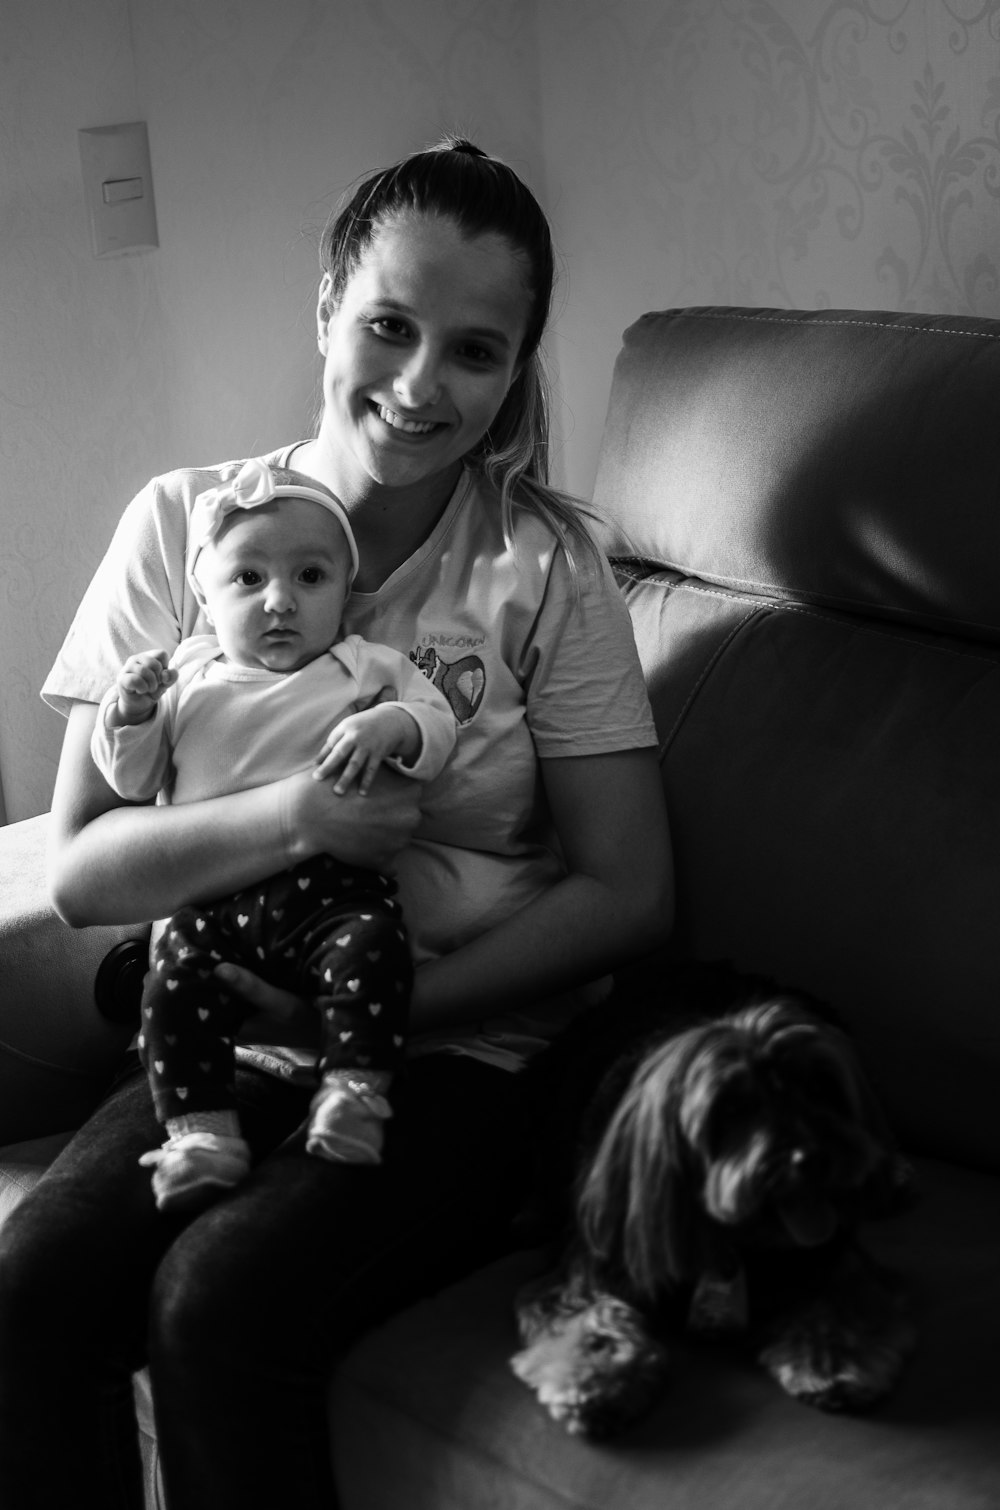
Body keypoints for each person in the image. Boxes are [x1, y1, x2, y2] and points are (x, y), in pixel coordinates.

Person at [0, 137, 673, 1510]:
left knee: (215, 1306)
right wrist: (300, 814)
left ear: (518, 369)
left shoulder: (548, 568)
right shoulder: (183, 530)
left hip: (466, 1055)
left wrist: (379, 1016)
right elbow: (77, 872)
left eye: (476, 351)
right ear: (325, 311)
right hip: (227, 1016)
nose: (423, 385)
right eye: (388, 325)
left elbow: (628, 891)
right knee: (31, 1292)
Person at [91, 458, 457, 1208]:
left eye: (311, 578)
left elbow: (438, 722)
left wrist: (392, 721)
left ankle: (354, 1095)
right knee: (169, 991)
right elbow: (131, 781)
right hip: (212, 898)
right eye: (248, 580)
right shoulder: (187, 676)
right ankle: (200, 1135)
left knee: (375, 949)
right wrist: (127, 715)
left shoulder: (361, 666)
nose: (280, 601)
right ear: (205, 594)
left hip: (331, 895)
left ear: (343, 593)